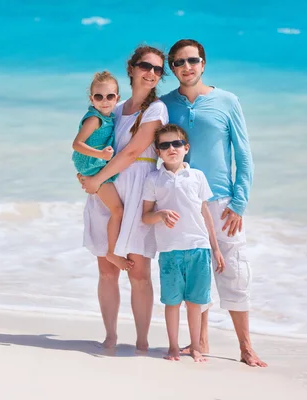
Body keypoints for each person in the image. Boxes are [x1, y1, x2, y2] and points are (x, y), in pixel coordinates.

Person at [160, 39, 267, 367]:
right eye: (179, 62)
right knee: (196, 273)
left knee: (234, 272)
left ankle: (246, 347)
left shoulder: (227, 101)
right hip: (183, 203)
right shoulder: (164, 105)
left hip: (222, 202)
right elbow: (145, 152)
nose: (186, 66)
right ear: (172, 68)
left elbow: (244, 154)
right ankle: (199, 341)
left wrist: (239, 201)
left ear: (203, 63)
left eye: (192, 60)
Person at [79, 46, 168, 351]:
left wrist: (96, 180)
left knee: (139, 272)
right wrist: (86, 177)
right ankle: (111, 336)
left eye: (158, 69)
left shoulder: (156, 110)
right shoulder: (114, 107)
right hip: (109, 187)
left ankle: (142, 342)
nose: (152, 73)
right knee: (107, 270)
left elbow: (132, 152)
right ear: (131, 68)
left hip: (139, 185)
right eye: (146, 66)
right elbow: (88, 145)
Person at [141, 124, 226, 362]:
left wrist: (216, 248)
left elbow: (205, 213)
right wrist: (160, 215)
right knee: (172, 302)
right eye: (165, 145)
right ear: (158, 151)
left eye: (176, 144)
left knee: (196, 302)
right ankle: (173, 347)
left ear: (185, 148)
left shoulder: (197, 176)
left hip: (199, 248)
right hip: (169, 250)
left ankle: (197, 347)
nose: (171, 149)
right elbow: (145, 216)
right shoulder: (154, 179)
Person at [72, 71, 133, 272]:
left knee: (116, 210)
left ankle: (111, 248)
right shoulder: (95, 119)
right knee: (118, 210)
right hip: (92, 166)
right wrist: (100, 154)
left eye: (110, 96)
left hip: (94, 166)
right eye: (99, 97)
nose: (104, 101)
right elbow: (77, 144)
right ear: (92, 99)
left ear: (117, 97)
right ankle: (112, 252)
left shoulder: (109, 115)